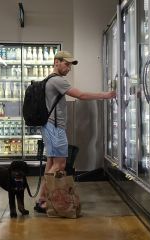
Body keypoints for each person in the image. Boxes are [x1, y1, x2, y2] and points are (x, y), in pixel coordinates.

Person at [34, 51, 116, 212]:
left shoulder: (49, 80)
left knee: (51, 163)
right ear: (56, 62)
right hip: (55, 128)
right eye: (66, 63)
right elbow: (81, 95)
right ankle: (44, 201)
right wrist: (106, 95)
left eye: (70, 65)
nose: (69, 68)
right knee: (60, 164)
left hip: (49, 127)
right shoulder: (57, 80)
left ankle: (42, 200)